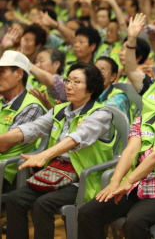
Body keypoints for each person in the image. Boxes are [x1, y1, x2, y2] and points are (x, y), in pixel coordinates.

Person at [77, 67, 155, 239]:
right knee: (88, 212)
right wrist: (115, 182)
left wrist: (127, 181)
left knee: (134, 222)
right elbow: (130, 151)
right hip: (136, 186)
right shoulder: (144, 119)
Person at [4, 62, 116, 239]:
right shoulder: (59, 110)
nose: (69, 86)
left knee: (43, 203)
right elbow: (33, 128)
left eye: (76, 82)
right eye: (67, 81)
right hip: (56, 173)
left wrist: (44, 155)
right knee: (14, 199)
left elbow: (77, 137)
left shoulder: (100, 114)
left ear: (91, 88)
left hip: (83, 177)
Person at [0, 50, 46, 192]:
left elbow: (3, 145)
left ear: (19, 74)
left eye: (2, 71)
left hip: (5, 171)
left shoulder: (31, 106)